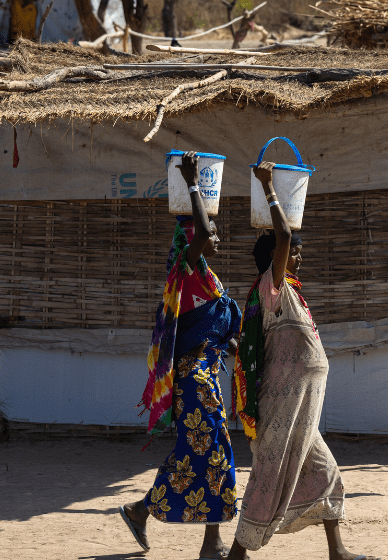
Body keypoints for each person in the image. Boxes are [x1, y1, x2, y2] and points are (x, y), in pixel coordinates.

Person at [226, 162, 379, 560]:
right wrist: (270, 188)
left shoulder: (291, 292)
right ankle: (237, 556)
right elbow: (284, 232)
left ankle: (337, 551)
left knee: (325, 471)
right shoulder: (271, 287)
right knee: (269, 475)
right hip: (283, 406)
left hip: (302, 412)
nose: (299, 255)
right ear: (279, 256)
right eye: (294, 252)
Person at [119, 153, 241, 559]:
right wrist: (192, 184)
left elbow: (218, 332)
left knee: (200, 453)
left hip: (205, 375)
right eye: (208, 229)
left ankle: (143, 512)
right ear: (192, 238)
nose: (215, 233)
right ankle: (207, 542)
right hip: (195, 379)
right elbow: (203, 230)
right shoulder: (185, 269)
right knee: (213, 452)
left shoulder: (204, 281)